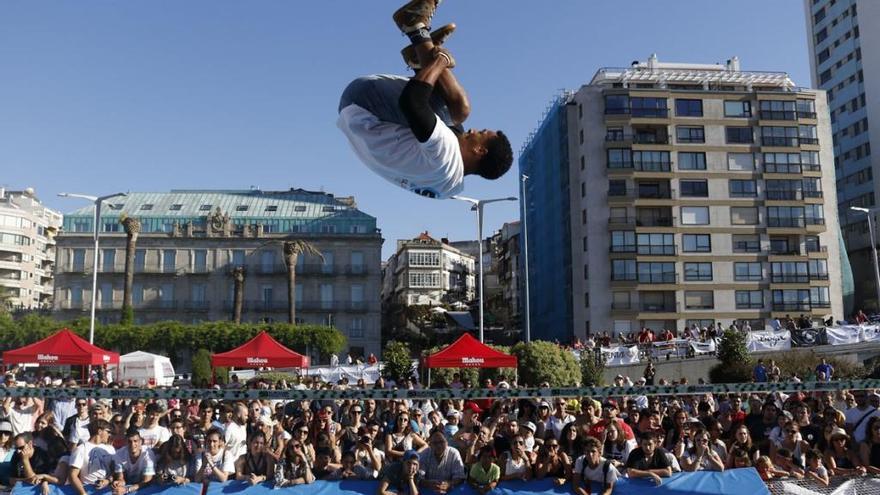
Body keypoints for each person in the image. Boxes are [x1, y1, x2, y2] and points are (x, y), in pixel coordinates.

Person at [337, 0, 513, 200]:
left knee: (460, 108)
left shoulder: (445, 153)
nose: (474, 130)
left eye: (480, 133)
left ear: (479, 150)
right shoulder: (449, 186)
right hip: (356, 119)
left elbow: (412, 102)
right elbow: (452, 129)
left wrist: (441, 61)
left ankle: (415, 27)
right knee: (453, 118)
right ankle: (420, 59)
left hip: (363, 103)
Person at [68, 419, 116, 495]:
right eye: (108, 432)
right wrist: (83, 493)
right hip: (87, 488)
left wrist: (108, 481)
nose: (109, 435)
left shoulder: (110, 449)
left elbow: (116, 472)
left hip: (108, 490)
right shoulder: (81, 449)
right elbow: (72, 475)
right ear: (99, 431)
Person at [418, 429, 465, 494]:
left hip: (449, 490)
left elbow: (459, 477)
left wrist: (449, 484)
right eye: (435, 443)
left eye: (441, 442)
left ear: (447, 442)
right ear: (430, 444)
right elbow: (419, 477)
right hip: (429, 489)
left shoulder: (454, 453)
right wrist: (428, 483)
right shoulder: (424, 454)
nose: (439, 446)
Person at [110, 430, 155, 495]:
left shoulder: (148, 454)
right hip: (129, 483)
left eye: (135, 441)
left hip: (146, 487)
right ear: (125, 442)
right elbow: (121, 478)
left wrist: (127, 490)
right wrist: (119, 483)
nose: (132, 444)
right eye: (129, 441)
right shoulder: (119, 454)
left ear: (141, 442)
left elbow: (147, 481)